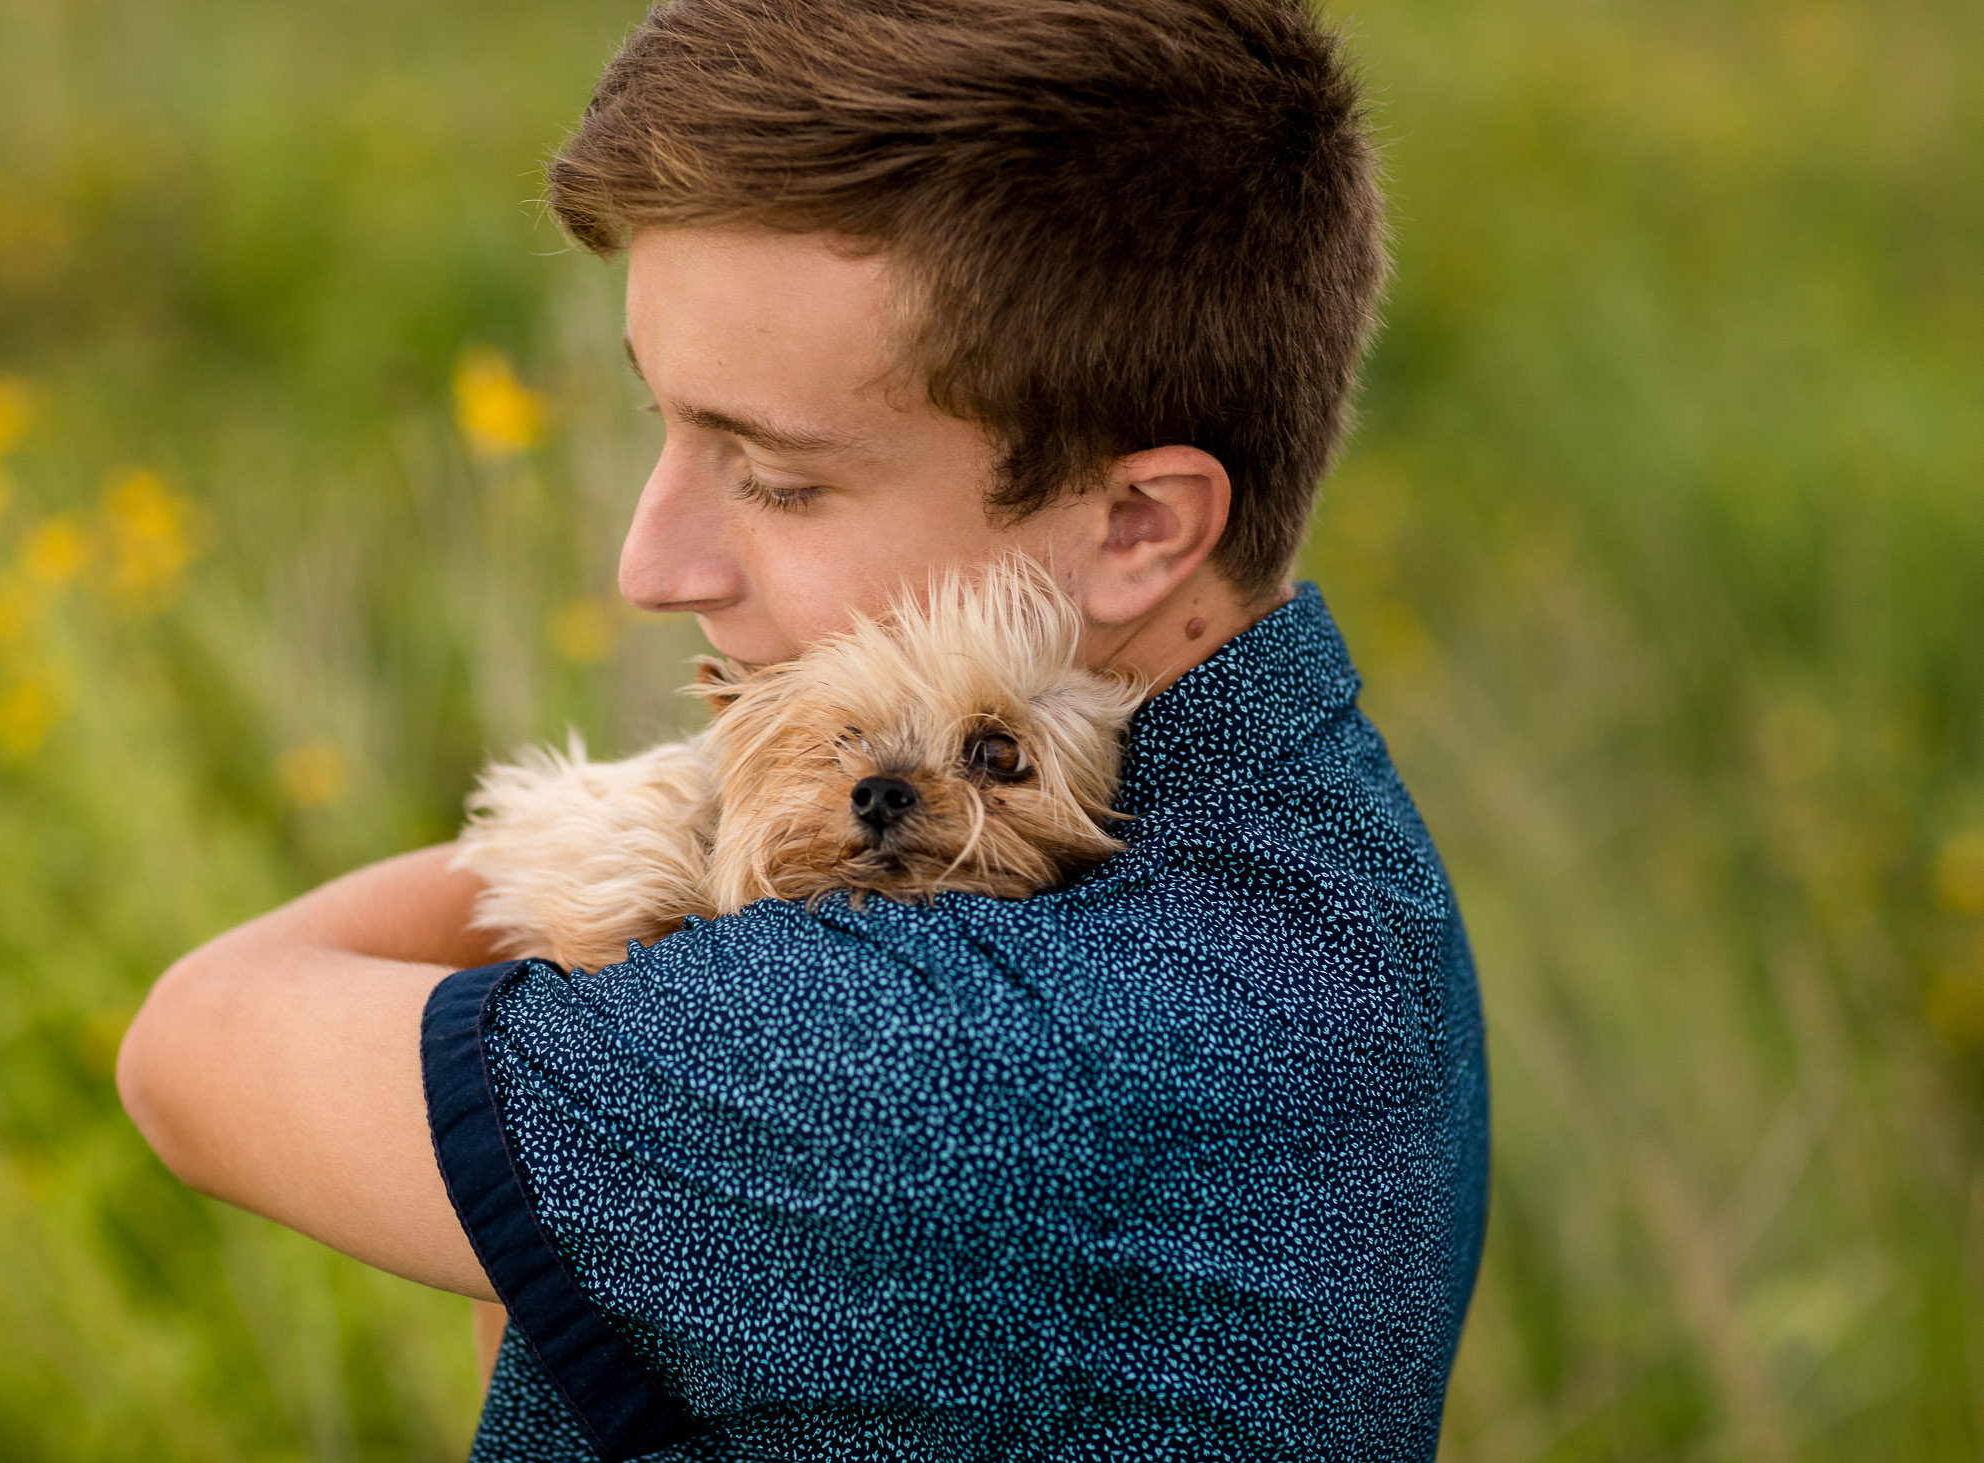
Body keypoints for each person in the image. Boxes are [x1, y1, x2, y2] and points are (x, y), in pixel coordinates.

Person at [116, 0, 1489, 1457]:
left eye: (774, 476)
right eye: (663, 423)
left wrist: (692, 814)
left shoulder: (898, 1063)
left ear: (1137, 525)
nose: (649, 566)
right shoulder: (1325, 853)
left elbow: (196, 1047)